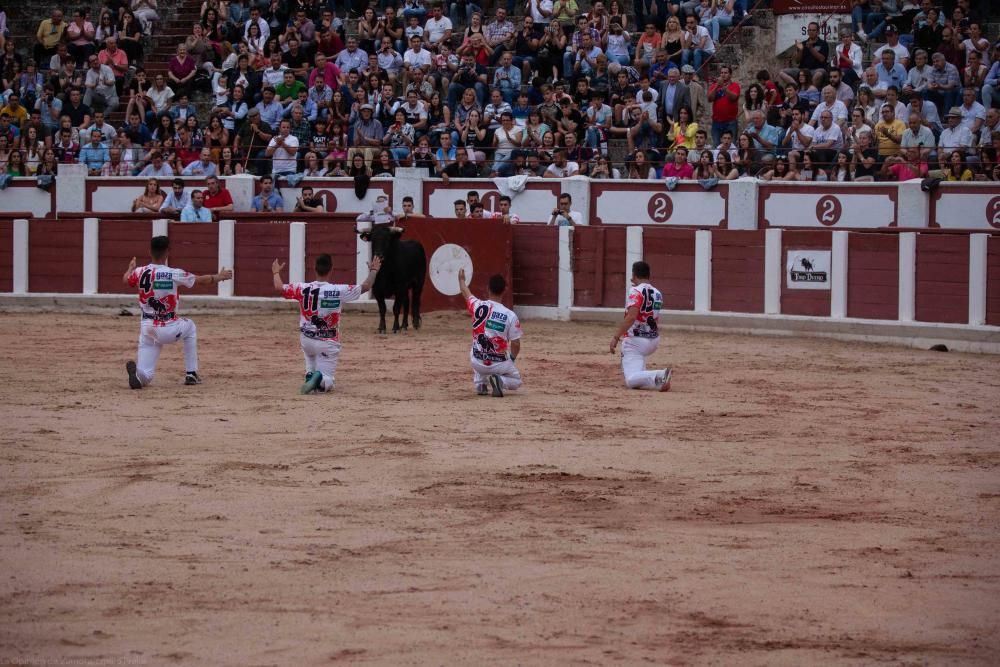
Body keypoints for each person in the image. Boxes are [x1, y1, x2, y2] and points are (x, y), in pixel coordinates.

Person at [123, 235, 233, 389]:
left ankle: (139, 375)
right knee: (190, 327)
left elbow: (126, 279)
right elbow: (201, 280)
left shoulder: (140, 271)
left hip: (147, 328)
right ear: (168, 252)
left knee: (146, 375)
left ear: (150, 251)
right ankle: (191, 374)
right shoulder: (173, 273)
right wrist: (220, 277)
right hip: (168, 327)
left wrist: (130, 268)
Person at [271, 253, 382, 394]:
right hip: (327, 341)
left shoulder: (302, 288)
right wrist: (374, 270)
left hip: (307, 340)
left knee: (311, 366)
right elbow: (366, 286)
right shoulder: (338, 290)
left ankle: (310, 376)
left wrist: (275, 272)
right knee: (328, 382)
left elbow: (279, 287)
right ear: (331, 270)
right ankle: (321, 380)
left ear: (314, 269)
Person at [457, 267, 522, 397]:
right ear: (504, 291)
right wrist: (511, 359)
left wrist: (461, 280)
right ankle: (500, 380)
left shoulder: (478, 306)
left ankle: (480, 383)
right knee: (517, 381)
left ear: (488, 289)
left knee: (477, 345)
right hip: (499, 364)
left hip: (478, 361)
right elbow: (516, 344)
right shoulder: (510, 315)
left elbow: (466, 292)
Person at [609, 260, 671, 391]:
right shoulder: (658, 293)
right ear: (649, 275)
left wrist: (616, 337)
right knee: (638, 375)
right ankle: (658, 382)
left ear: (634, 274)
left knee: (631, 380)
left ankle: (660, 374)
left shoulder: (635, 291)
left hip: (635, 341)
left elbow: (631, 317)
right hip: (653, 340)